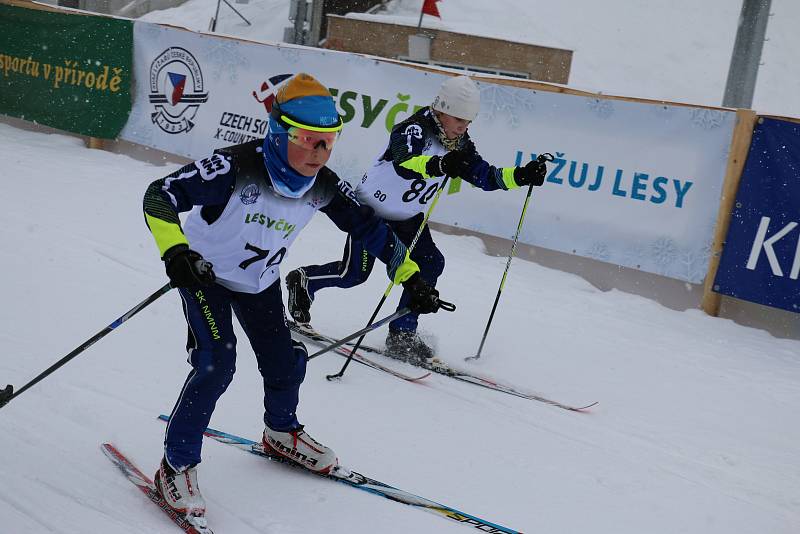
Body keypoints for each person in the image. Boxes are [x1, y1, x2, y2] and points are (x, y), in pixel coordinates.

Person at [142, 73, 442, 526]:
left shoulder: (323, 183)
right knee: (216, 363)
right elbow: (160, 194)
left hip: (259, 282)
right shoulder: (234, 167)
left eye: (329, 142)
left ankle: (281, 432)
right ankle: (176, 466)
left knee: (285, 364)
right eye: (308, 141)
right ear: (279, 133)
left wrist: (411, 276)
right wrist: (175, 249)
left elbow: (369, 228)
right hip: (204, 276)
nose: (319, 154)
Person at [286, 75, 549, 362]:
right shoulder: (413, 129)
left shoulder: (459, 142)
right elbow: (404, 164)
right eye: (459, 118)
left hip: (409, 218)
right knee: (354, 275)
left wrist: (521, 176)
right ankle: (305, 279)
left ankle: (402, 334)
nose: (464, 126)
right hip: (370, 213)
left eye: (469, 121)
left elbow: (485, 176)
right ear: (441, 110)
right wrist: (439, 164)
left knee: (431, 263)